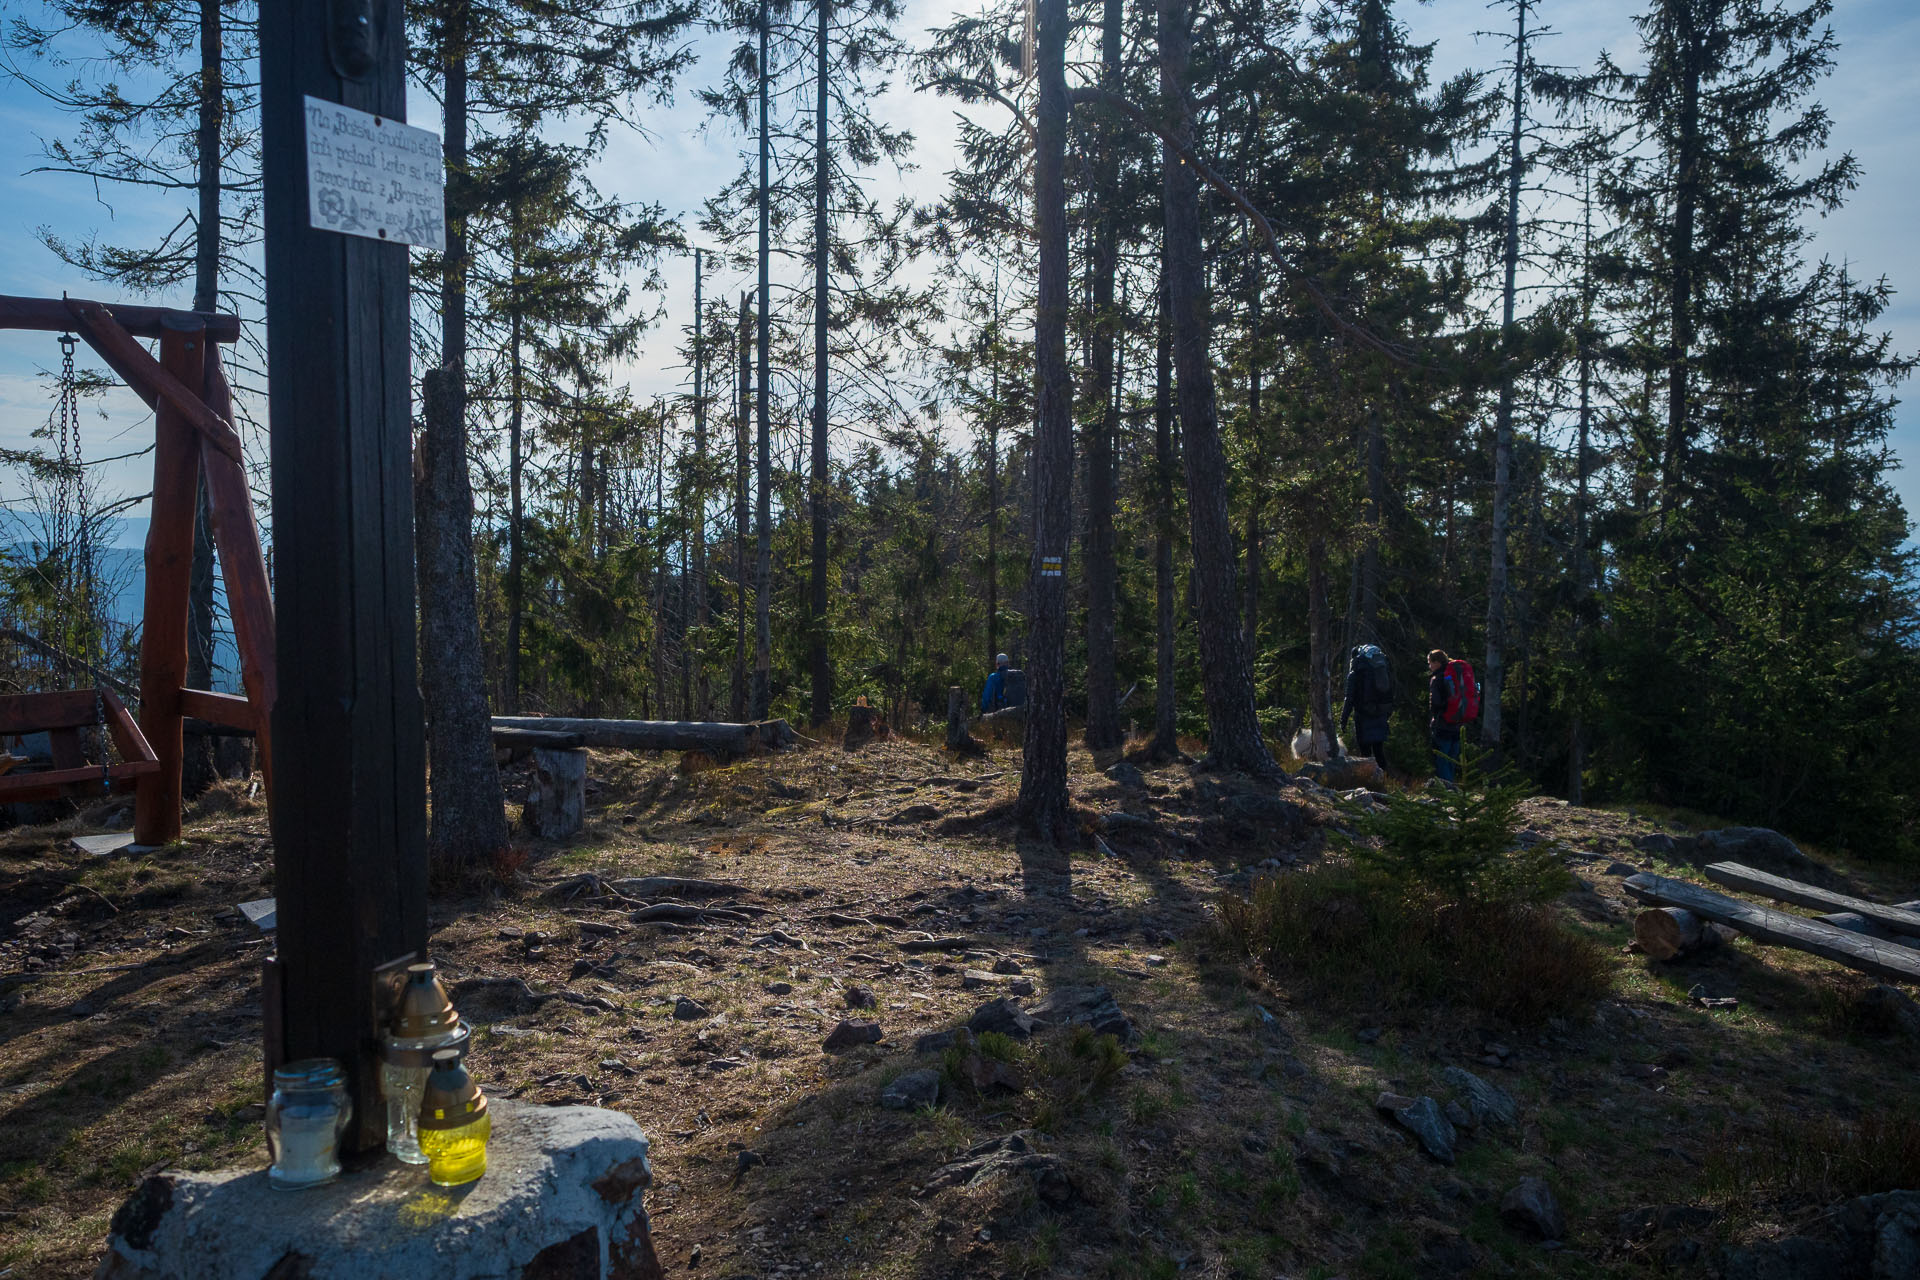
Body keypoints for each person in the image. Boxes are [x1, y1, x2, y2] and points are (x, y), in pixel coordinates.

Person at [1340, 644, 1393, 772]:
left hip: (1363, 715)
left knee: (1365, 751)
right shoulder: (1381, 668)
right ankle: (1384, 779)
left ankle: (1369, 780)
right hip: (1380, 714)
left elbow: (1349, 698)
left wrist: (1344, 719)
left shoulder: (1355, 673)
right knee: (1379, 750)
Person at [1428, 648, 1475, 784]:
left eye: (1430, 663)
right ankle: (1452, 786)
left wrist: (1436, 714)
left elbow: (1435, 704)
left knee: (1442, 758)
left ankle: (1447, 790)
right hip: (1458, 722)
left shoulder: (1437, 679)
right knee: (1452, 758)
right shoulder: (1454, 676)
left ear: (1437, 662)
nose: (1430, 666)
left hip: (1442, 724)